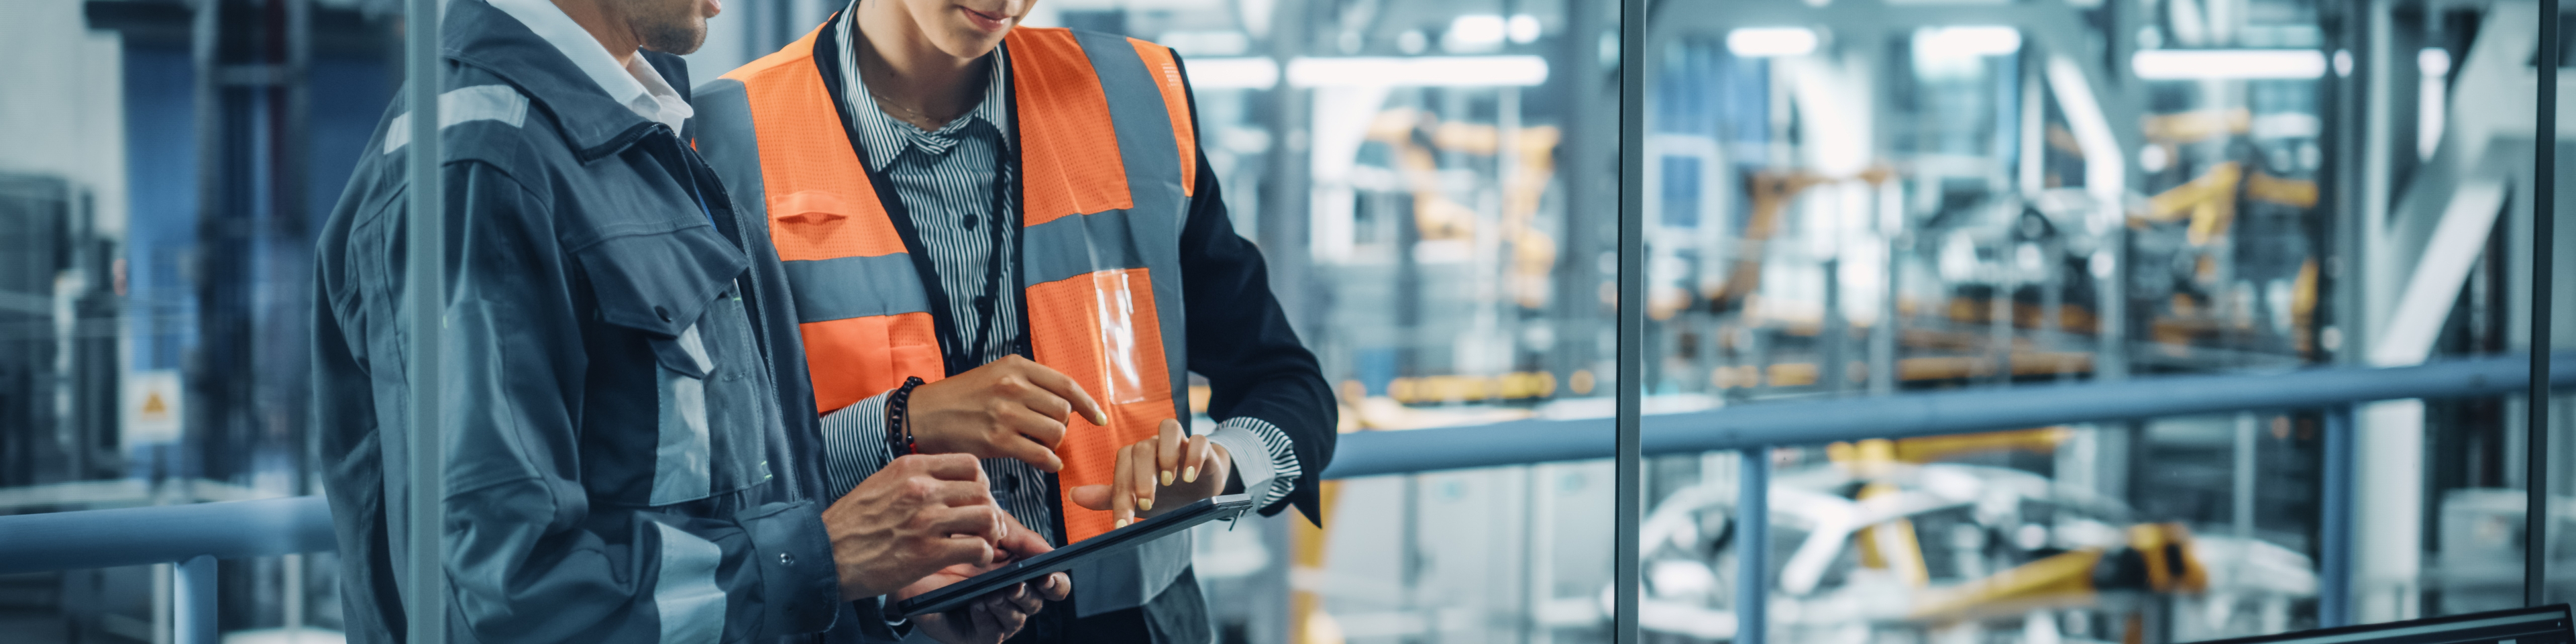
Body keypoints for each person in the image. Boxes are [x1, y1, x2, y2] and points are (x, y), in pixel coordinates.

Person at [310, 0, 1070, 641]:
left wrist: (882, 588)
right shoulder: (477, 172)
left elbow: (712, 501)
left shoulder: (636, 136)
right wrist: (821, 560)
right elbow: (498, 599)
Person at [688, 0, 1338, 639]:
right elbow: (718, 482)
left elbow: (1286, 384)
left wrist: (1224, 469)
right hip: (890, 625)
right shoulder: (725, 134)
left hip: (1139, 622)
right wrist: (904, 424)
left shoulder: (1133, 95)